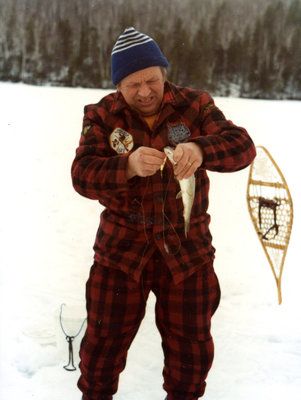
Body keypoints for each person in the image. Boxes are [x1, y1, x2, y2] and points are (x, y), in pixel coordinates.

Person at [71, 26, 256, 400]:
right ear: (118, 86)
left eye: (151, 80)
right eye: (132, 84)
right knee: (100, 354)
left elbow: (243, 147)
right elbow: (81, 175)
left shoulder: (196, 105)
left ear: (163, 73)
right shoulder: (102, 115)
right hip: (120, 255)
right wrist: (125, 166)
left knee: (191, 358)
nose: (144, 91)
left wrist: (202, 150)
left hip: (188, 255)